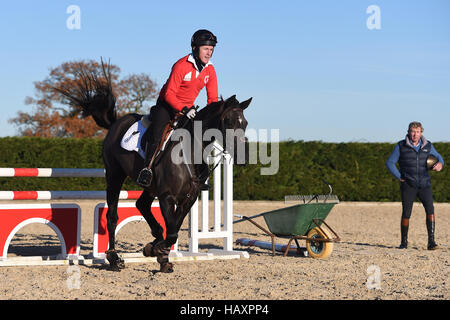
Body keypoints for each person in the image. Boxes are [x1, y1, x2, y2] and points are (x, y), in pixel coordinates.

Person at [137, 29, 219, 188]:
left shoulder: (210, 70)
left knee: (199, 135)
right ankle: (146, 170)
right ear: (195, 48)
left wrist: (212, 118)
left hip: (188, 110)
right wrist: (184, 109)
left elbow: (212, 100)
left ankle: (199, 176)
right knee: (158, 131)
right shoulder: (181, 65)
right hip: (167, 106)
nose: (209, 53)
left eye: (211, 50)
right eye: (206, 49)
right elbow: (169, 94)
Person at [386, 121, 444, 250]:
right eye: (413, 131)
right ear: (408, 132)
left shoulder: (428, 146)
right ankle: (404, 242)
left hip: (425, 184)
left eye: (417, 132)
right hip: (408, 185)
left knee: (430, 211)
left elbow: (440, 158)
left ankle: (431, 242)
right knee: (406, 213)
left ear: (421, 132)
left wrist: (440, 164)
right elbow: (390, 163)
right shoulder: (401, 146)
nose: (415, 134)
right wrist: (399, 177)